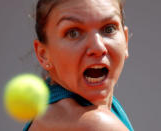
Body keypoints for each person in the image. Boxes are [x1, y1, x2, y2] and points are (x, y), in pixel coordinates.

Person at [24, 0, 134, 130]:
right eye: (73, 33)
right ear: (43, 54)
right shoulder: (97, 125)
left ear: (125, 41)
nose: (98, 47)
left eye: (108, 29)